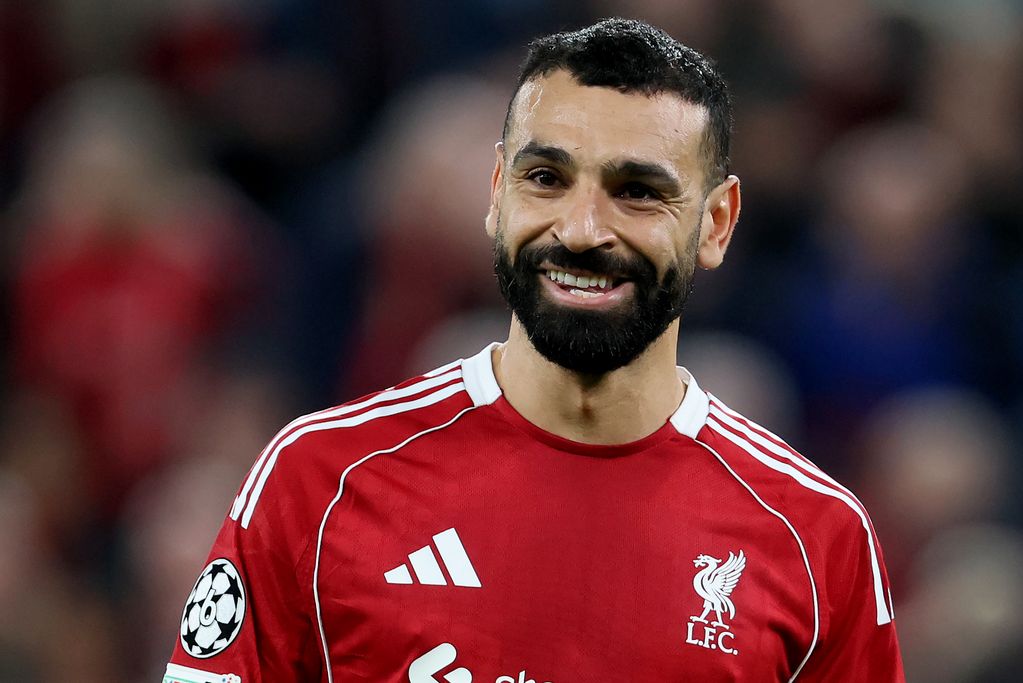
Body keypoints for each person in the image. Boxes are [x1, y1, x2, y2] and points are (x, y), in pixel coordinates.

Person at [165, 18, 904, 682]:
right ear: (496, 193)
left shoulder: (814, 536)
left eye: (637, 190)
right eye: (545, 178)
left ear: (715, 223)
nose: (581, 228)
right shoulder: (319, 480)